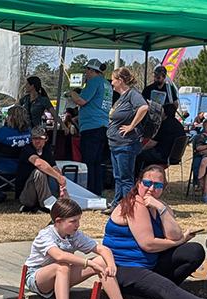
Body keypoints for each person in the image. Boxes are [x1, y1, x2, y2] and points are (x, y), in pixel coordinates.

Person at [104, 165, 207, 299]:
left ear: (163, 188)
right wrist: (178, 242)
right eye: (147, 183)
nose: (151, 189)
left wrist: (161, 208)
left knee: (194, 251)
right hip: (123, 268)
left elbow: (175, 235)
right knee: (164, 285)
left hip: (148, 264)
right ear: (138, 183)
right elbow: (148, 244)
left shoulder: (158, 205)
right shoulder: (135, 205)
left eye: (158, 185)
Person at [25, 197, 133, 299]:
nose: (77, 225)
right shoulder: (45, 235)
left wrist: (111, 265)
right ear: (58, 221)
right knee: (63, 266)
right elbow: (59, 256)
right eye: (73, 221)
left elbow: (103, 249)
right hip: (37, 278)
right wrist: (88, 263)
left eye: (78, 220)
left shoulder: (74, 235)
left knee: (101, 261)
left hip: (63, 277)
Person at [105, 66, 148, 214]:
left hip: (126, 144)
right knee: (118, 177)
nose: (111, 83)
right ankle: (117, 203)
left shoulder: (132, 94)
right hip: (115, 144)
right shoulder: (121, 97)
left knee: (126, 178)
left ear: (121, 80)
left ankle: (129, 207)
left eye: (113, 80)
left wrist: (131, 126)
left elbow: (143, 107)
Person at [68, 59, 113, 198]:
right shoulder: (107, 84)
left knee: (88, 162)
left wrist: (72, 93)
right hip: (102, 126)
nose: (85, 73)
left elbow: (81, 100)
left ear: (92, 70)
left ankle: (89, 192)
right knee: (97, 162)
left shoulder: (94, 82)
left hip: (91, 127)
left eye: (86, 70)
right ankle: (97, 191)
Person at [17, 127, 67, 212]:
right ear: (31, 139)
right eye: (35, 138)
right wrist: (58, 177)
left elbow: (54, 167)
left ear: (46, 139)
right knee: (39, 172)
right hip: (26, 194)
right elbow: (38, 163)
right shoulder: (27, 149)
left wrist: (62, 186)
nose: (37, 141)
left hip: (41, 192)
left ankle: (43, 205)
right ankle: (48, 204)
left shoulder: (47, 149)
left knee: (51, 174)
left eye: (40, 138)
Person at [136, 103, 185, 174]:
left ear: (164, 113)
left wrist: (139, 149)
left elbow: (151, 143)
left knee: (138, 155)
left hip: (163, 155)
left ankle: (138, 176)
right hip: (175, 156)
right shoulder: (178, 124)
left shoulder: (164, 124)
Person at [0, 104, 32, 179]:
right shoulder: (30, 133)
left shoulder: (1, 132)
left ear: (10, 117)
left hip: (2, 168)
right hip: (25, 169)